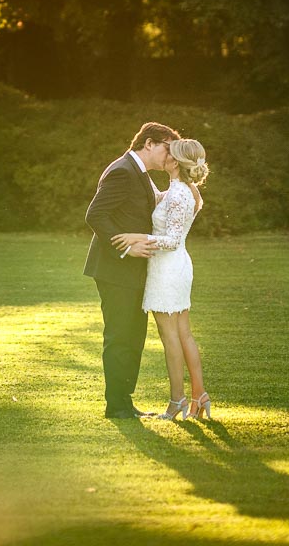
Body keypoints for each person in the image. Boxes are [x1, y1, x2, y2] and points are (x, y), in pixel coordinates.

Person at [82, 121, 181, 419]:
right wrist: (125, 247)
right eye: (167, 148)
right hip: (115, 269)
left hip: (134, 271)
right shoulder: (123, 171)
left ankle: (124, 402)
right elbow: (95, 215)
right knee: (120, 335)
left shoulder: (138, 173)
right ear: (148, 143)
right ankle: (117, 406)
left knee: (133, 335)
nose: (169, 155)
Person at [140, 138, 212, 421]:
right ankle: (199, 395)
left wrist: (138, 239)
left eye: (170, 152)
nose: (165, 154)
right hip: (175, 266)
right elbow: (163, 204)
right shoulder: (181, 190)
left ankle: (177, 400)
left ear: (176, 162)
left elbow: (170, 240)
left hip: (168, 269)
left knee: (170, 338)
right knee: (183, 334)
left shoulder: (181, 194)